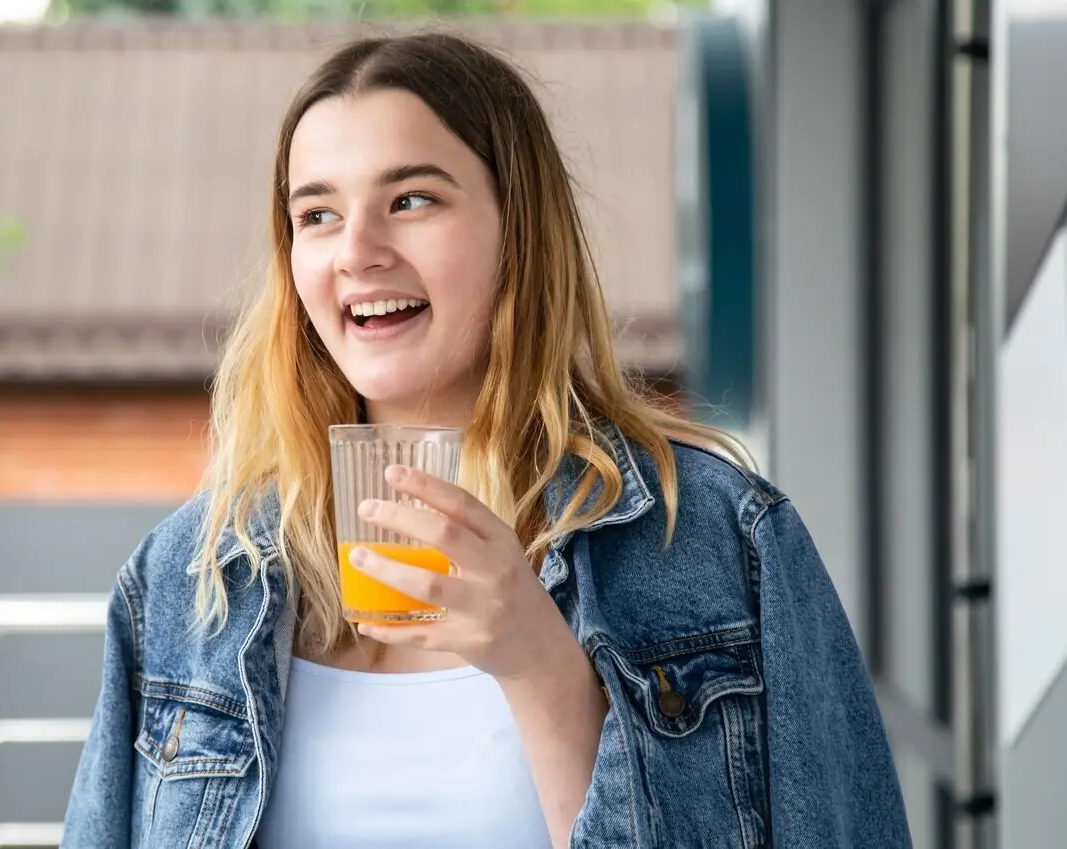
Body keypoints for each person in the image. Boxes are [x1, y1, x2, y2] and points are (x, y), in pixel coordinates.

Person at [61, 31, 912, 849]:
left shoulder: (723, 545)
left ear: (520, 228)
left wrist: (539, 662)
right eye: (316, 214)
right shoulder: (186, 580)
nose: (357, 251)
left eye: (412, 200)